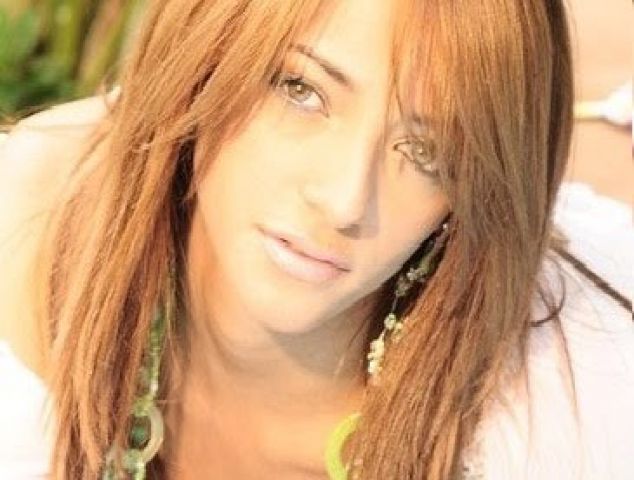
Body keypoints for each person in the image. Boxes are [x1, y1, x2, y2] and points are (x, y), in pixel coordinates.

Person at [0, 0, 631, 479]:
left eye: (426, 150)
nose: (345, 200)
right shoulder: (32, 225)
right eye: (300, 90)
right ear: (205, 50)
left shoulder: (562, 415)